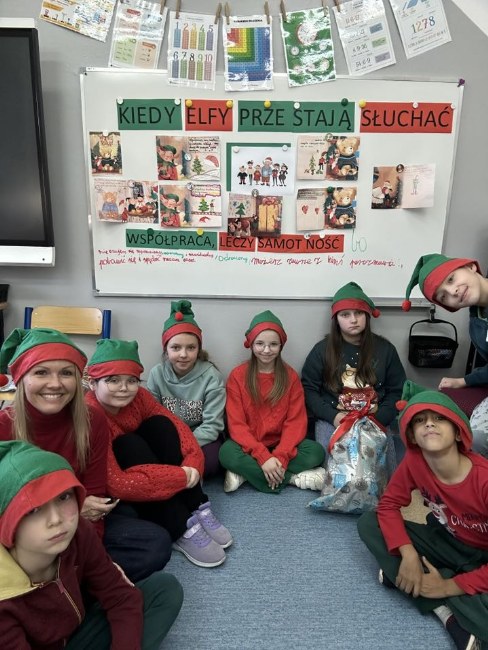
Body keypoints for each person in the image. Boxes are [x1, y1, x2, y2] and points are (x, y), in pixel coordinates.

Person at [0, 327, 171, 583]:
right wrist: (77, 508)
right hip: (26, 533)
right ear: (22, 377)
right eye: (41, 372)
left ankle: (72, 579)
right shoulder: (4, 427)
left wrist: (93, 558)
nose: (55, 383)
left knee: (154, 542)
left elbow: (95, 498)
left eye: (66, 373)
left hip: (76, 523)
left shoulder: (92, 419)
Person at [0, 439, 183, 649]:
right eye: (33, 510)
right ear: (6, 523)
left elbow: (121, 597)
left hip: (77, 631)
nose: (56, 519)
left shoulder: (78, 532)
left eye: (64, 497)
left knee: (164, 590)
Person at [357, 381, 488, 650]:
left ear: (459, 432)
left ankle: (426, 585)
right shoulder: (415, 461)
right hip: (448, 540)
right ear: (413, 437)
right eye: (420, 420)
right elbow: (388, 505)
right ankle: (445, 609)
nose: (429, 423)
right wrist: (407, 553)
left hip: (483, 555)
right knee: (369, 523)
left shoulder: (484, 480)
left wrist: (447, 586)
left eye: (439, 418)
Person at [86, 338, 232, 568]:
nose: (124, 388)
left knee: (161, 426)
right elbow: (117, 484)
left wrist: (193, 464)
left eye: (131, 380)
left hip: (148, 468)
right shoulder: (92, 416)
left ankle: (196, 505)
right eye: (113, 380)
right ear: (93, 383)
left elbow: (179, 428)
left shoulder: (140, 397)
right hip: (119, 483)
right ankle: (180, 526)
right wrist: (180, 476)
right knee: (127, 444)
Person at [301, 282, 406, 475]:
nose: (353, 320)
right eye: (345, 315)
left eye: (358, 313)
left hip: (375, 419)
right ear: (336, 319)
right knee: (333, 472)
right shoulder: (322, 350)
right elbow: (309, 389)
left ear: (367, 316)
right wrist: (333, 417)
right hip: (334, 418)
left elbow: (397, 391)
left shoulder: (385, 349)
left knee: (384, 472)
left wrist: (378, 419)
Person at [219, 310, 326, 494]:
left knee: (316, 452)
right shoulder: (237, 376)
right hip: (249, 446)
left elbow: (296, 422)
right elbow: (237, 424)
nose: (267, 350)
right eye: (260, 344)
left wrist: (281, 456)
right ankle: (292, 479)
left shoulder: (290, 376)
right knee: (226, 453)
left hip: (282, 444)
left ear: (281, 345)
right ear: (251, 344)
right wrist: (262, 457)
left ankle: (246, 475)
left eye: (273, 344)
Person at [403, 253, 488, 454]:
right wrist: (464, 381)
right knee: (472, 440)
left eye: (451, 279)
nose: (453, 292)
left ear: (470, 266)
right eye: (443, 297)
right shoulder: (476, 323)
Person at [148, 299, 225, 478]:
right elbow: (152, 418)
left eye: (190, 348)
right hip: (169, 437)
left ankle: (178, 471)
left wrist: (184, 445)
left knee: (211, 462)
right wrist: (170, 444)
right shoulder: (157, 374)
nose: (183, 354)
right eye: (176, 347)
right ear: (166, 350)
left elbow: (212, 425)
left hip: (202, 437)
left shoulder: (212, 377)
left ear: (198, 350)